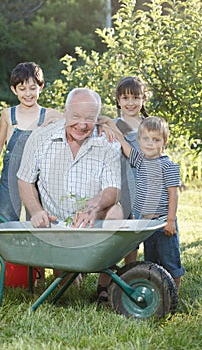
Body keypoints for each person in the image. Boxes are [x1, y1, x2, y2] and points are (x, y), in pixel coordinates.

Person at [17, 87, 123, 305]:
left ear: (98, 118)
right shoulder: (41, 138)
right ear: (64, 112)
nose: (82, 125)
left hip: (93, 221)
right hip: (57, 227)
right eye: (76, 117)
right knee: (67, 290)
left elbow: (113, 189)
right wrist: (36, 211)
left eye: (89, 118)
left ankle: (104, 284)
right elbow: (25, 180)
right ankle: (72, 272)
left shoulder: (107, 141)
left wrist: (94, 206)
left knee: (117, 210)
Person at [0, 62, 62, 286]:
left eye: (32, 87)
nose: (28, 93)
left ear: (41, 87)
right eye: (22, 88)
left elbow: (75, 122)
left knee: (36, 222)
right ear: (14, 90)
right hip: (10, 176)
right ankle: (4, 275)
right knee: (6, 222)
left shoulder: (50, 115)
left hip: (36, 180)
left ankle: (36, 275)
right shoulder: (8, 115)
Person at [116, 116, 185, 290]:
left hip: (163, 224)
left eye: (156, 140)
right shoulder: (140, 162)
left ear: (164, 142)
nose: (149, 143)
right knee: (152, 263)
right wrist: (114, 131)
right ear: (138, 141)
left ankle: (173, 294)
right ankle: (158, 293)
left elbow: (173, 195)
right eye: (145, 139)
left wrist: (170, 221)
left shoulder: (168, 166)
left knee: (170, 263)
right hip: (147, 225)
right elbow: (126, 148)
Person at [100, 76, 150, 264]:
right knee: (114, 238)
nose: (131, 103)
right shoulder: (112, 125)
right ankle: (105, 284)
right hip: (119, 189)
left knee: (134, 238)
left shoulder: (149, 126)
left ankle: (130, 274)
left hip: (143, 189)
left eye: (136, 98)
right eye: (125, 98)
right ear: (118, 101)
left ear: (143, 99)